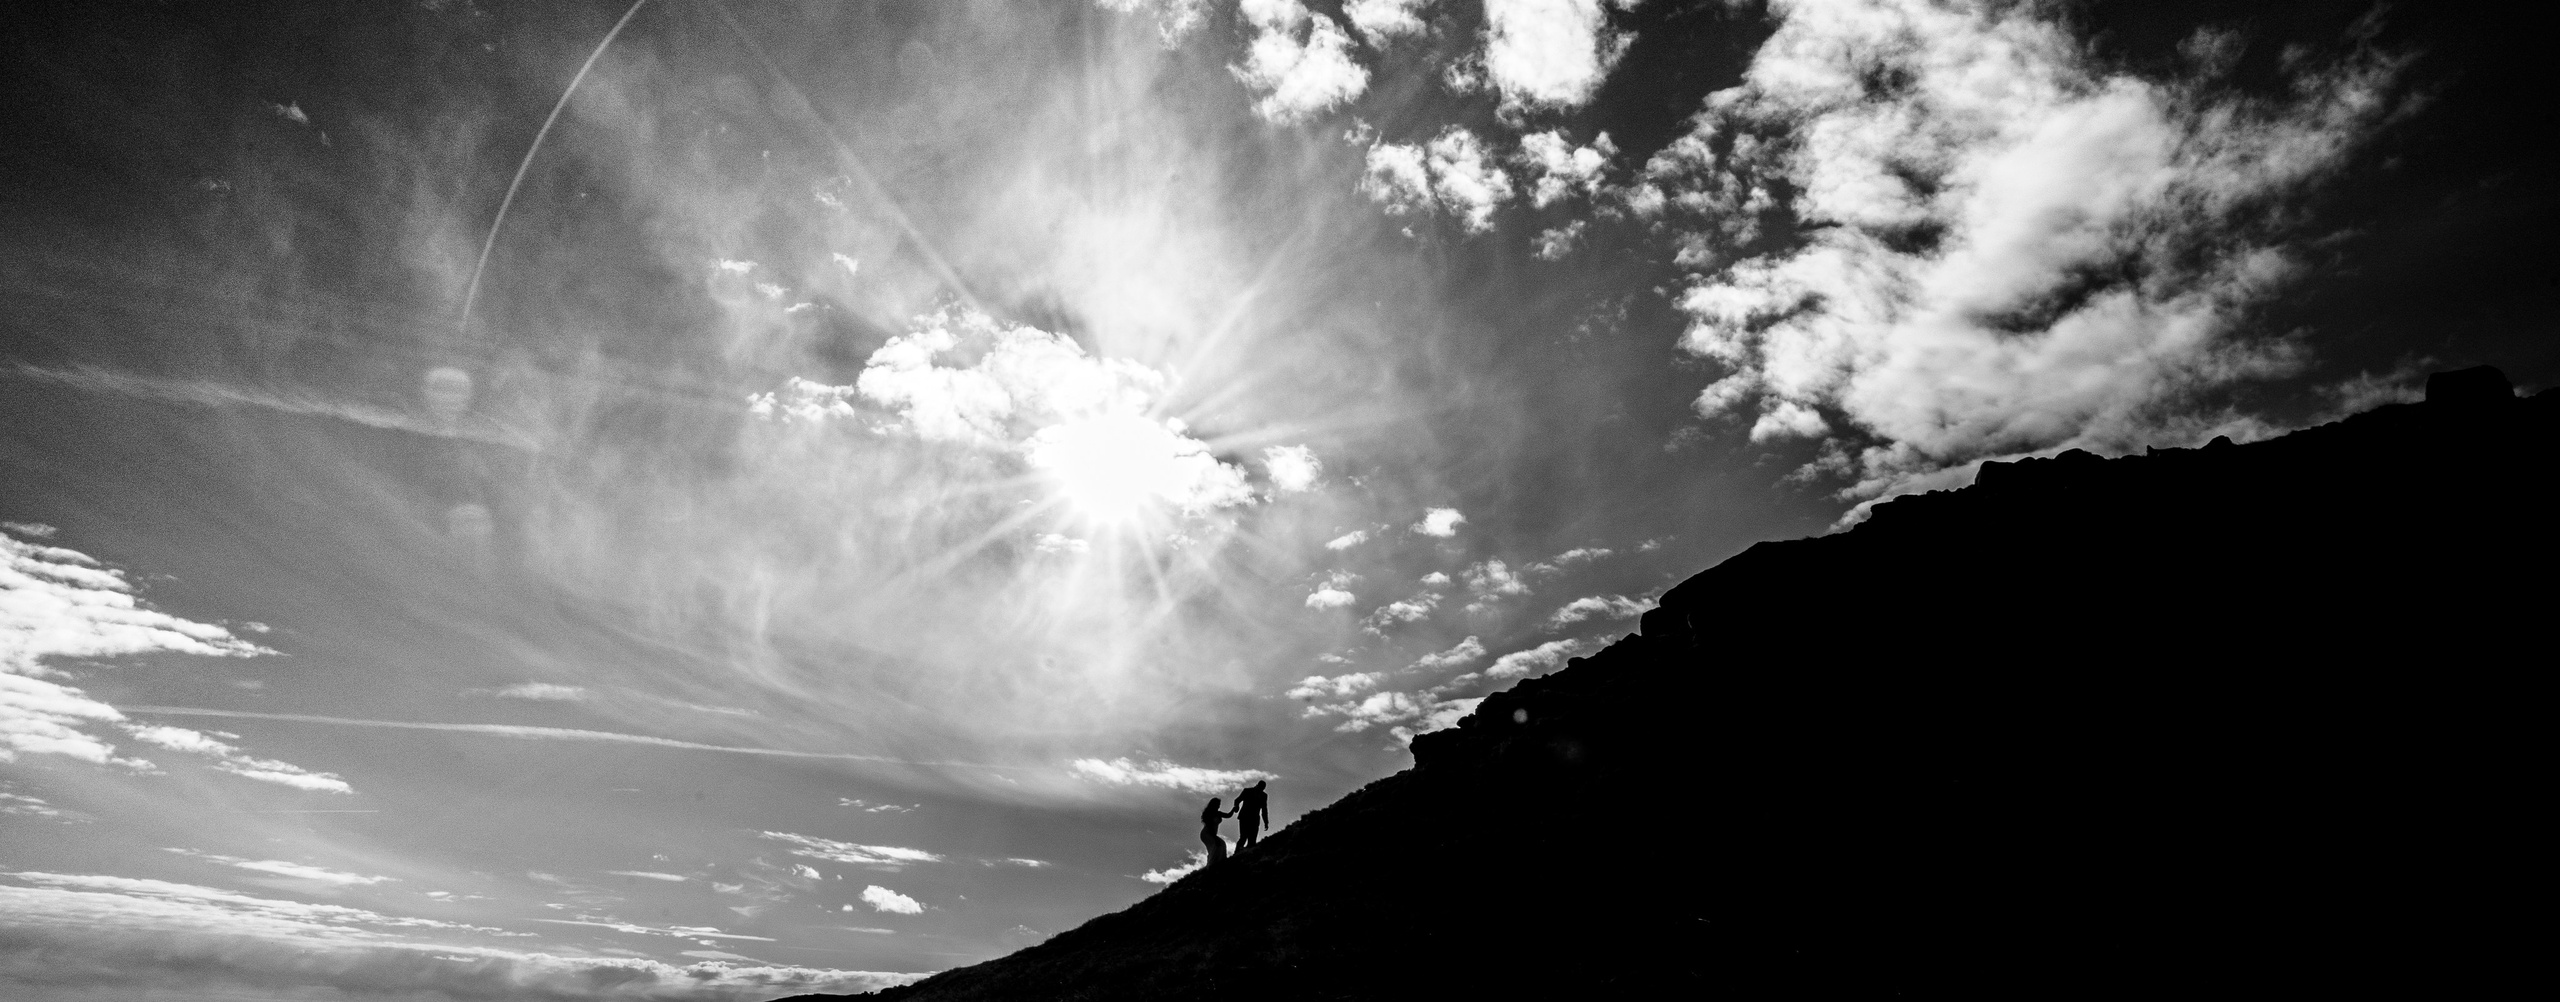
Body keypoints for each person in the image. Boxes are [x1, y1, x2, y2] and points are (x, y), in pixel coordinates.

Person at [1233, 780, 1270, 851]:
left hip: (1254, 819)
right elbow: (1237, 800)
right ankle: (1236, 854)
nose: (1261, 789)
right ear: (1258, 785)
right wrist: (1236, 806)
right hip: (1245, 817)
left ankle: (1245, 855)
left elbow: (1264, 810)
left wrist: (1266, 822)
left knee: (1252, 840)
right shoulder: (1247, 791)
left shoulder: (1263, 795)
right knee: (1243, 837)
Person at [1199, 797, 1234, 865]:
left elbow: (1228, 815)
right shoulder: (1210, 814)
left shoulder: (1218, 813)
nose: (1219, 806)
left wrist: (1233, 809)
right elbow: (1210, 826)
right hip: (1207, 834)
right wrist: (1214, 837)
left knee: (1220, 845)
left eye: (1219, 805)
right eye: (1218, 804)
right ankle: (1213, 864)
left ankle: (1218, 862)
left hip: (1211, 834)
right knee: (1216, 846)